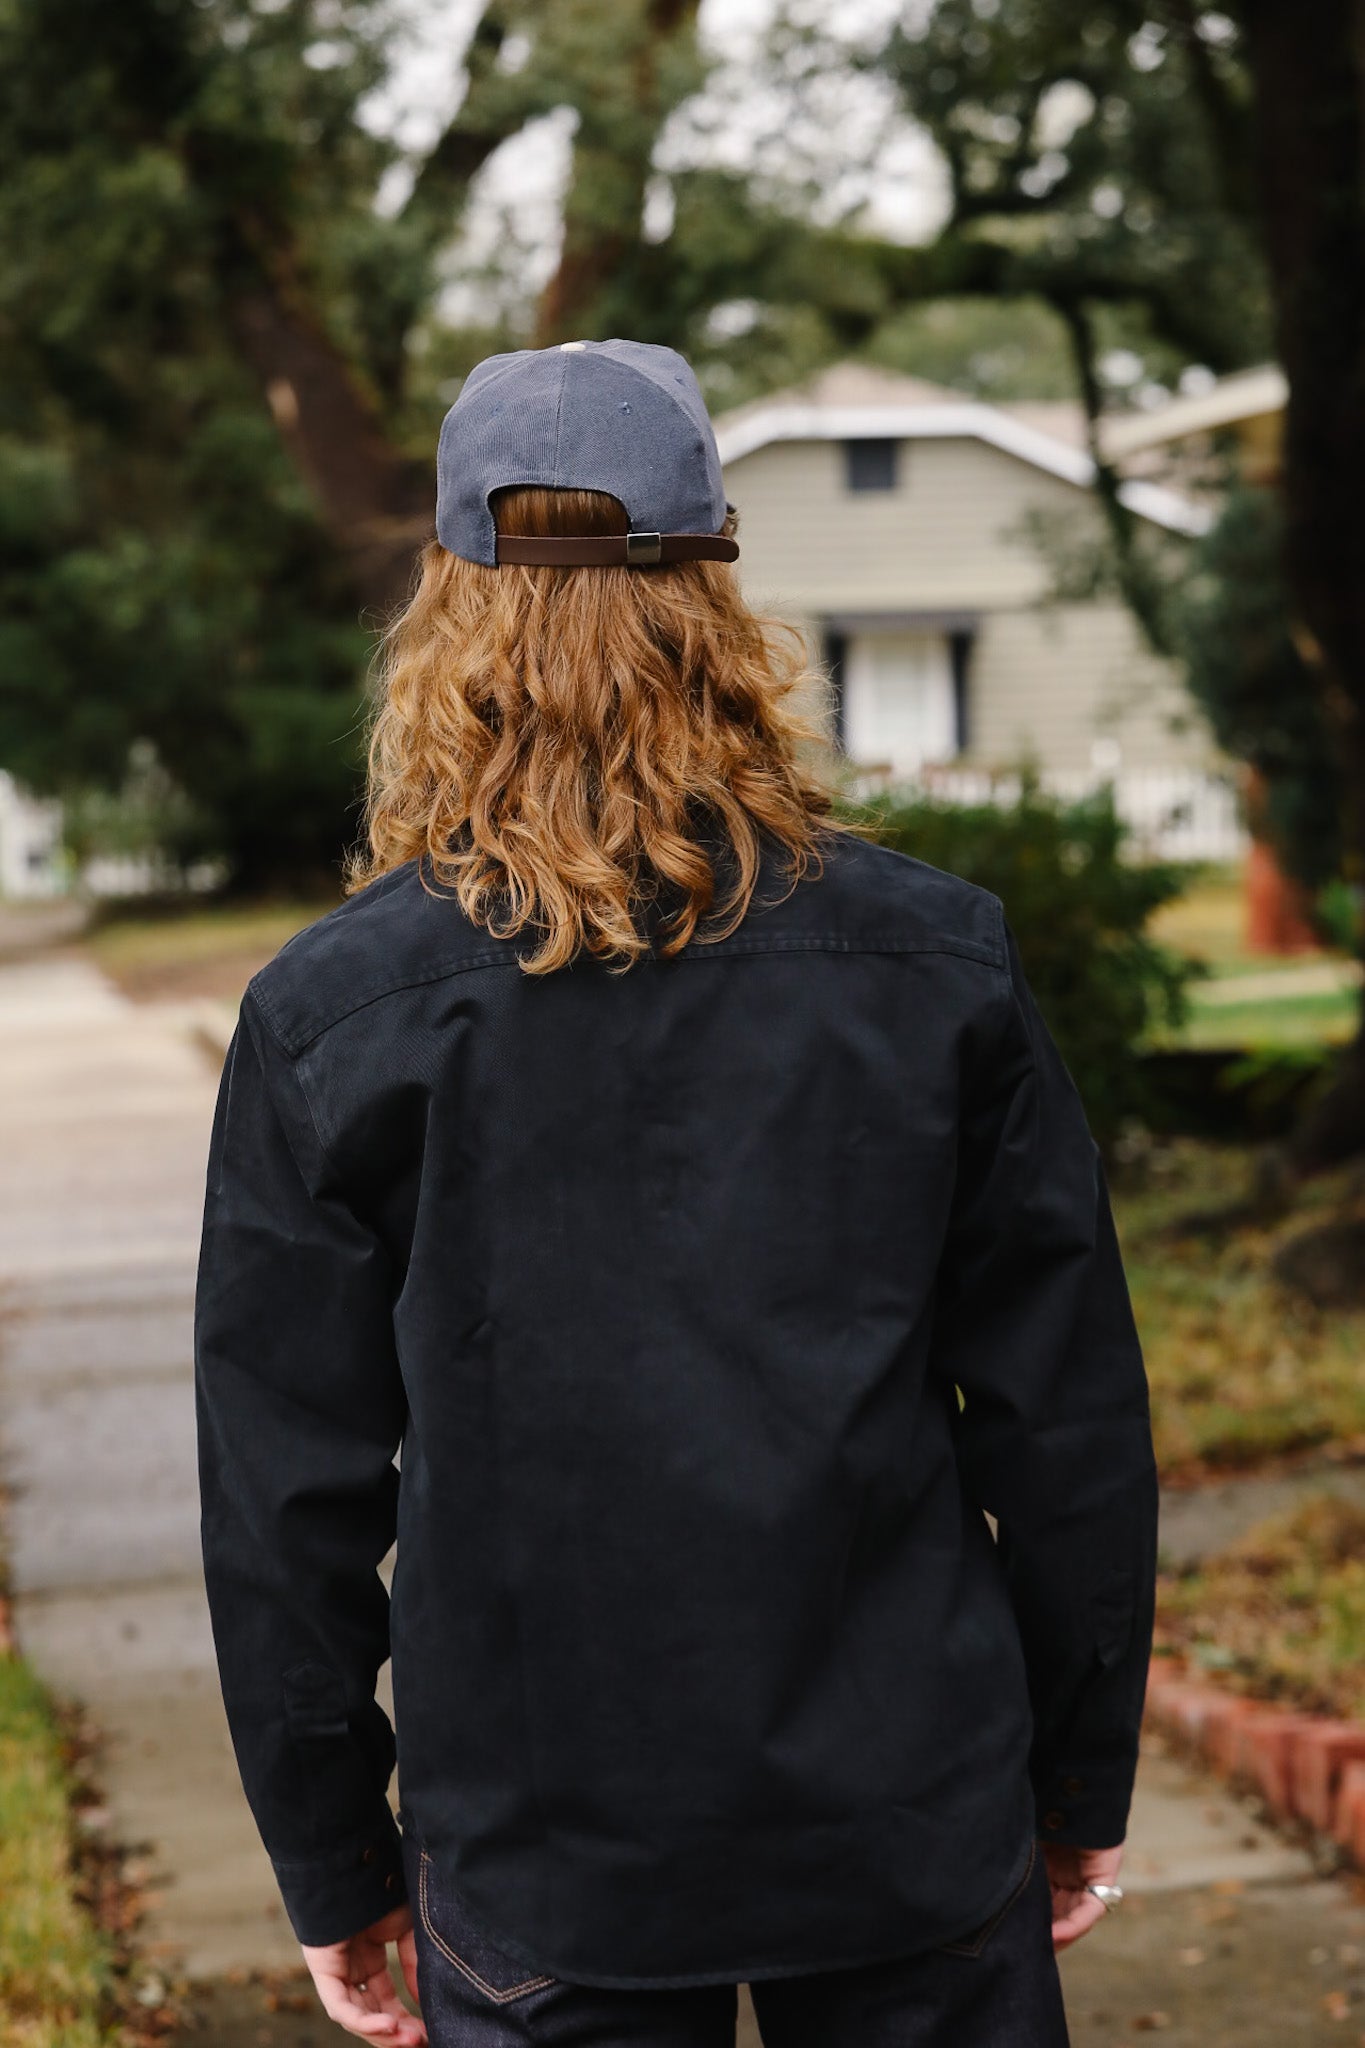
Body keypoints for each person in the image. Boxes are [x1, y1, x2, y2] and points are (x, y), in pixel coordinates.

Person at [194, 337, 1158, 2048]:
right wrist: (1080, 1769)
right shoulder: (932, 965)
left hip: (545, 1857)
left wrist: (333, 1862)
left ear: (448, 607)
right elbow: (1063, 1424)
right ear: (716, 591)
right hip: (912, 1822)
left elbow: (287, 1500)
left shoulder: (331, 1018)